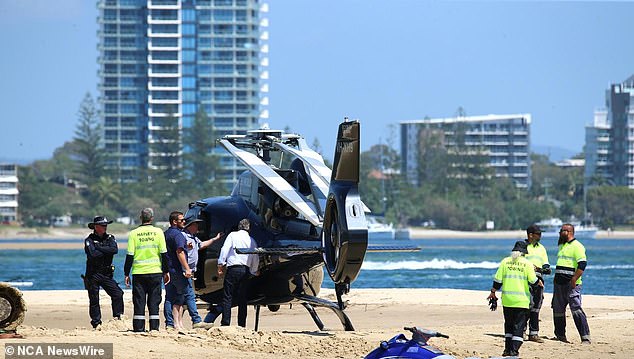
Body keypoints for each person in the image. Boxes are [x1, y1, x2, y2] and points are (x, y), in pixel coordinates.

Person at [487, 241, 539, 357]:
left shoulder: (505, 262)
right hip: (521, 301)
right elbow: (533, 281)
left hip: (507, 300)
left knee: (509, 326)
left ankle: (507, 350)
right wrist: (538, 282)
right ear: (524, 253)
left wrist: (493, 292)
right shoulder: (527, 264)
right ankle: (514, 351)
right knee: (518, 327)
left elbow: (497, 281)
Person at [124, 208, 170, 332]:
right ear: (152, 218)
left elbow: (130, 255)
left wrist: (126, 273)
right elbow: (164, 254)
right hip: (155, 272)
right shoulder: (158, 232)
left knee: (139, 301)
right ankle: (154, 328)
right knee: (154, 301)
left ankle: (139, 328)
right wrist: (166, 271)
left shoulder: (134, 233)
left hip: (139, 273)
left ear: (141, 218)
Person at [178, 217, 222, 329]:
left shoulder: (193, 237)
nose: (197, 227)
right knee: (189, 296)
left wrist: (215, 239)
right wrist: (186, 268)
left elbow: (201, 245)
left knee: (183, 297)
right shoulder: (183, 236)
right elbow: (179, 251)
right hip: (184, 271)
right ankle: (196, 321)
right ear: (189, 226)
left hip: (190, 271)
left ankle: (176, 322)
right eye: (195, 224)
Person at [552, 223, 591, 344]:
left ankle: (585, 337)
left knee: (576, 309)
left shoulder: (578, 246)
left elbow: (582, 264)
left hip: (571, 285)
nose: (559, 233)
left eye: (561, 231)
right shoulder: (562, 245)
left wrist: (574, 279)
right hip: (559, 284)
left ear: (568, 232)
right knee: (557, 310)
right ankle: (560, 336)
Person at [83, 216, 124, 329]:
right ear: (96, 227)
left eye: (106, 225)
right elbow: (92, 255)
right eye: (102, 225)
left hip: (106, 273)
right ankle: (96, 323)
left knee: (118, 294)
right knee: (94, 299)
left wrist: (99, 247)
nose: (105, 227)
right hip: (93, 274)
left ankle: (118, 318)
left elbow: (114, 250)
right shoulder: (89, 240)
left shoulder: (110, 238)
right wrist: (106, 250)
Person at [217, 218, 259, 327]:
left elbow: (225, 249)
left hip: (233, 268)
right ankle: (241, 324)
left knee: (228, 296)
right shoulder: (252, 240)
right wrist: (254, 271)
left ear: (239, 227)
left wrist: (221, 264)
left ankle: (226, 322)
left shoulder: (232, 236)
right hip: (245, 270)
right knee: (242, 298)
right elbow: (256, 257)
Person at [163, 211, 192, 331]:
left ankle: (170, 323)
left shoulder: (165, 234)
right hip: (177, 270)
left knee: (169, 297)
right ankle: (177, 323)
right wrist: (187, 268)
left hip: (168, 270)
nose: (184, 222)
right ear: (175, 221)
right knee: (180, 297)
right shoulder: (178, 235)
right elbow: (179, 252)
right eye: (182, 220)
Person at [524, 224, 551, 343]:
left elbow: (546, 266)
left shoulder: (542, 248)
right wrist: (531, 267)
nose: (540, 236)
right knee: (526, 305)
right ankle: (522, 331)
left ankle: (533, 334)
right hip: (525, 280)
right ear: (531, 235)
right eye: (538, 234)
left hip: (539, 280)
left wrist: (542, 269)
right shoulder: (522, 246)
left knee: (536, 306)